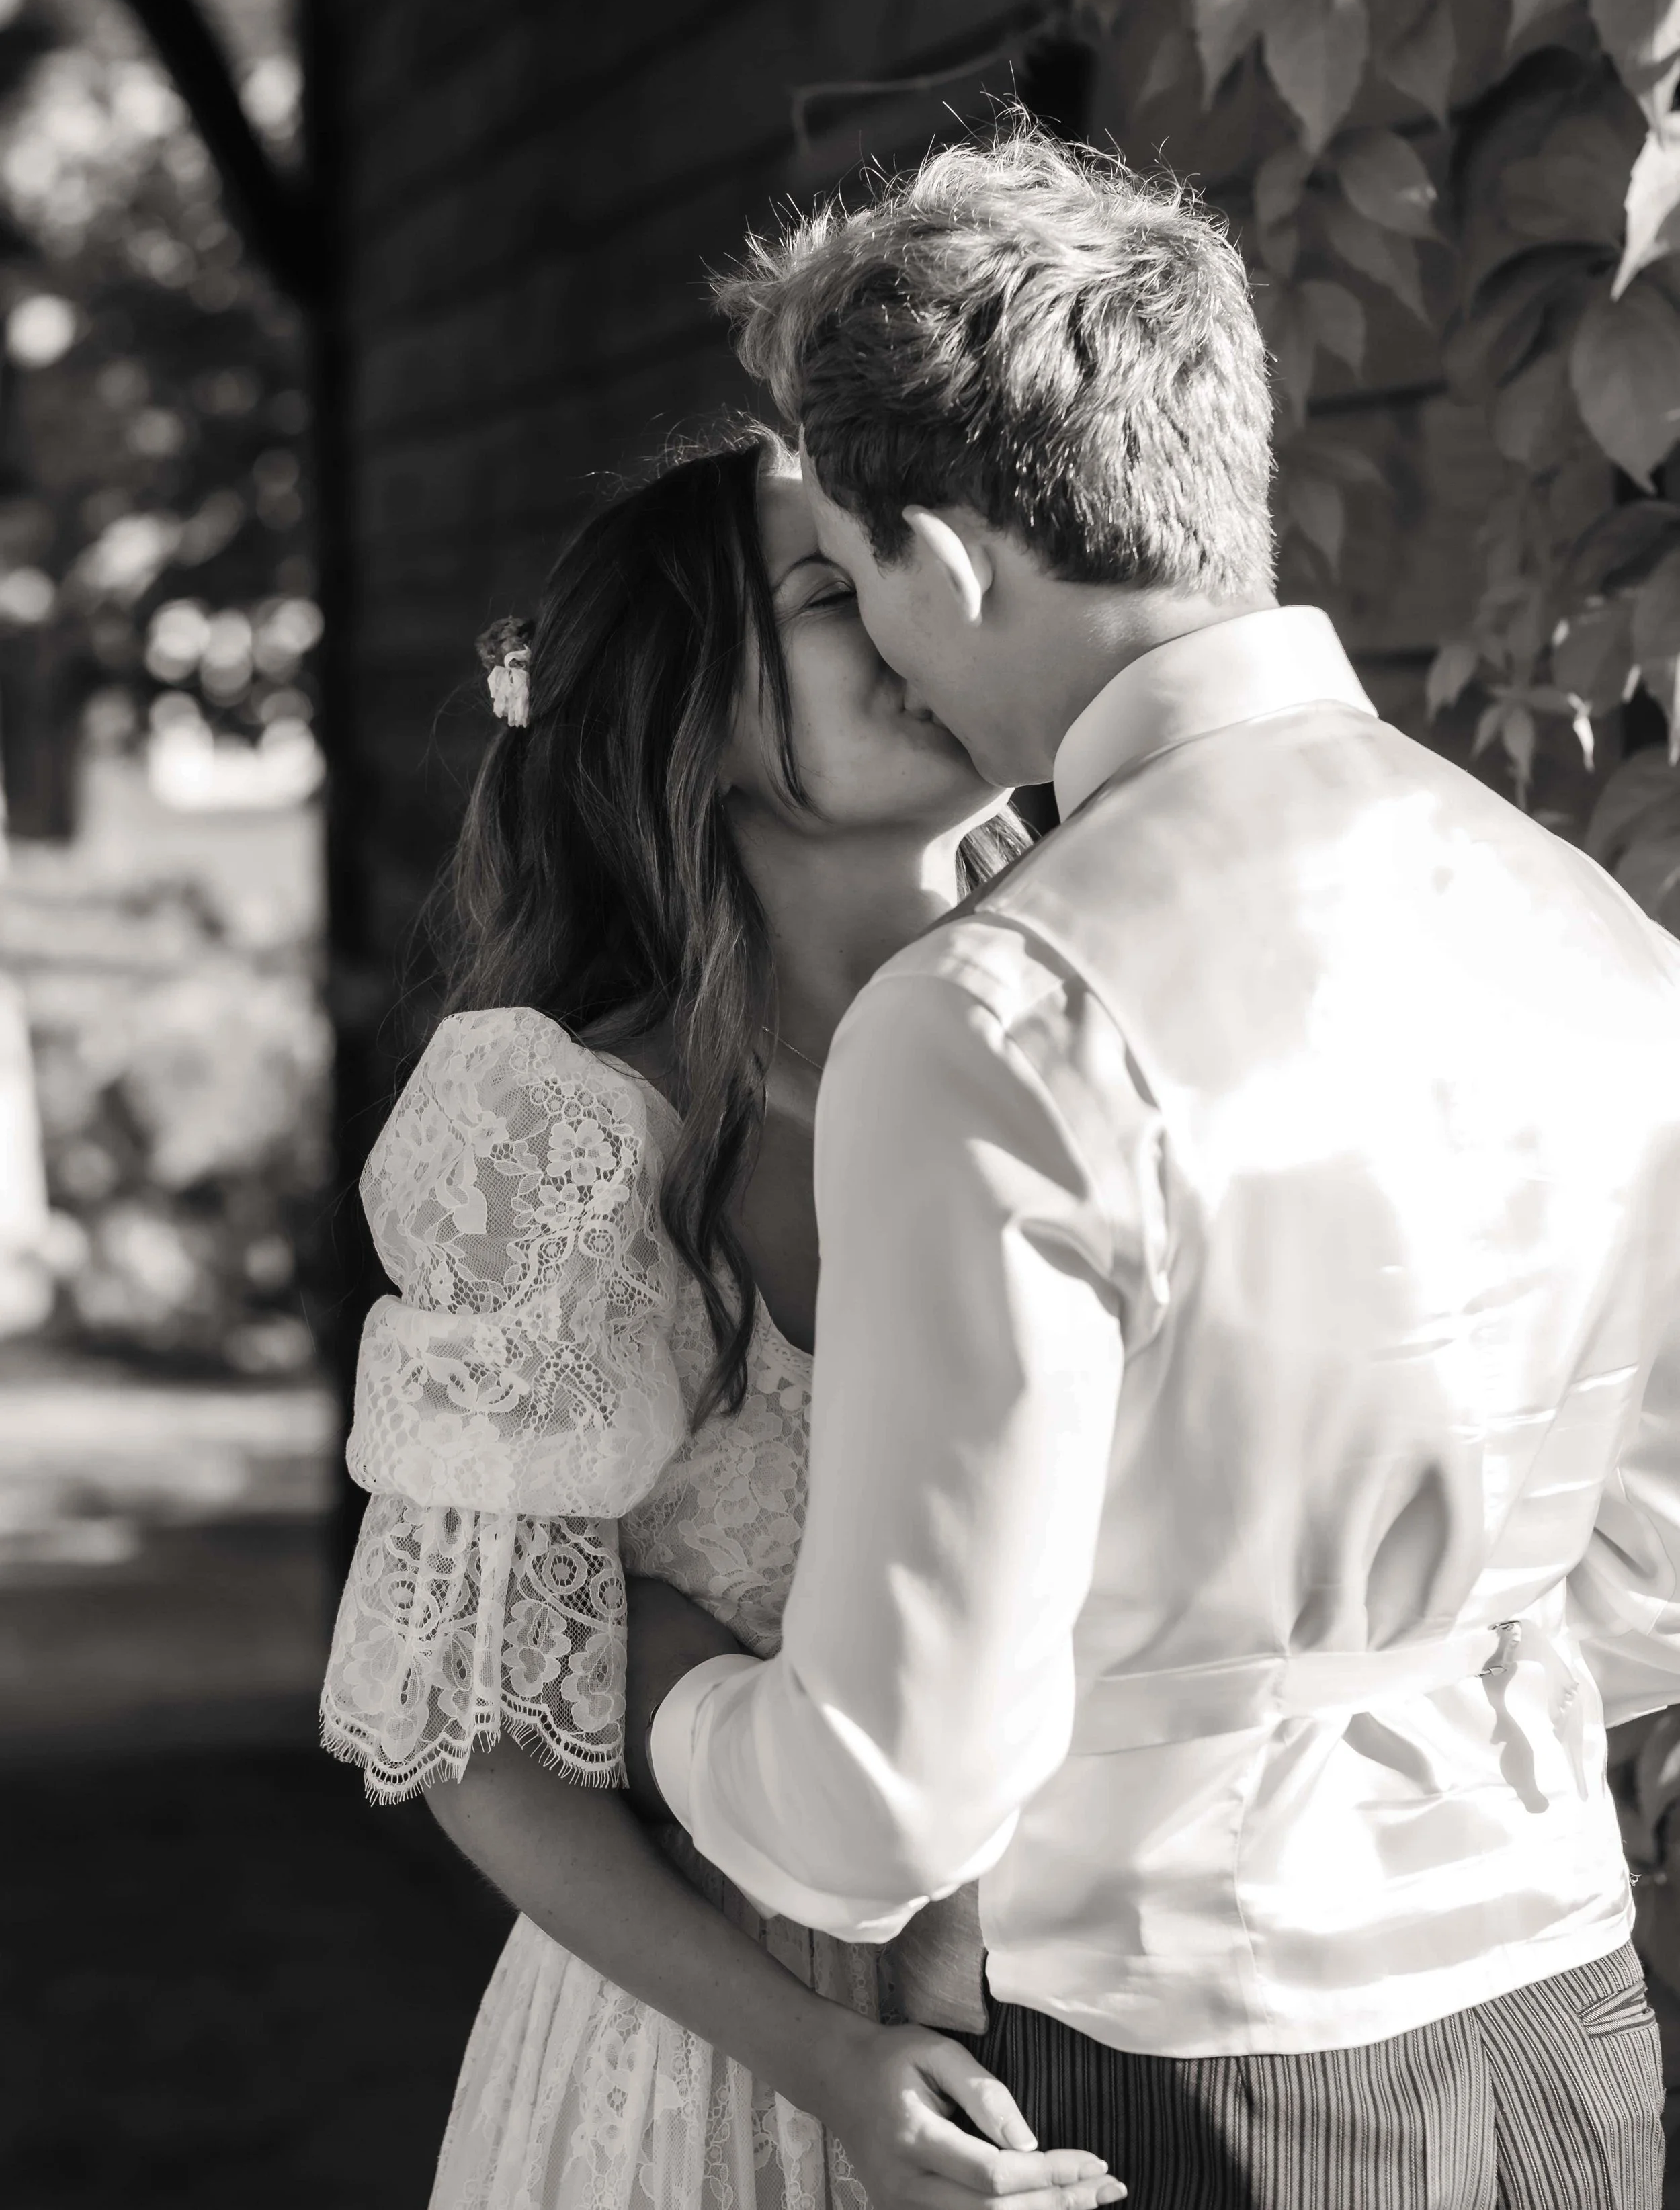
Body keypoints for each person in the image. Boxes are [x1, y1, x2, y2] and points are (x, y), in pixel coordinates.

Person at [631, 132, 1680, 2210]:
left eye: (849, 573)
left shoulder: (1001, 1013)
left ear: (938, 559)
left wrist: (661, 1683)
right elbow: (1648, 1575)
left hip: (1176, 2077)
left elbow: (880, 1795)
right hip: (1564, 2029)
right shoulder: (1595, 933)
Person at [319, 428, 1127, 2210]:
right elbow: (486, 1735)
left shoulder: (1130, 1014)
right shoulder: (564, 1124)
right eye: (836, 589)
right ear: (680, 699)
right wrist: (827, 2061)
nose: (916, 619)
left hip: (1165, 1998)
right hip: (727, 2059)